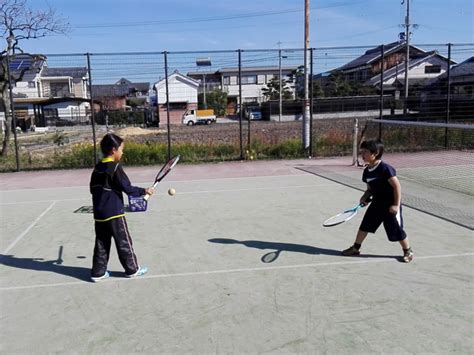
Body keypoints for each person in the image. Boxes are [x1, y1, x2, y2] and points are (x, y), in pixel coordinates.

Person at [89, 133, 155, 282]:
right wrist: (145, 191)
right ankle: (132, 269)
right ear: (113, 150)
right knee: (123, 241)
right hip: (114, 213)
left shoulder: (98, 168)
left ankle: (98, 273)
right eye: (121, 149)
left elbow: (92, 189)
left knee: (101, 242)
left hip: (99, 214)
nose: (122, 152)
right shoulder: (115, 167)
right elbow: (128, 188)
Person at [342, 139, 414, 263]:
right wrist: (364, 198)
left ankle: (408, 251)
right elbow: (370, 189)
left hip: (390, 205)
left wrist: (396, 205)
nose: (362, 155)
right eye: (362, 152)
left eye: (365, 152)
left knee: (396, 230)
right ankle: (356, 248)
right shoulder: (366, 171)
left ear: (375, 153)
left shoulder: (385, 169)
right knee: (365, 226)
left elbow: (397, 186)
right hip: (377, 204)